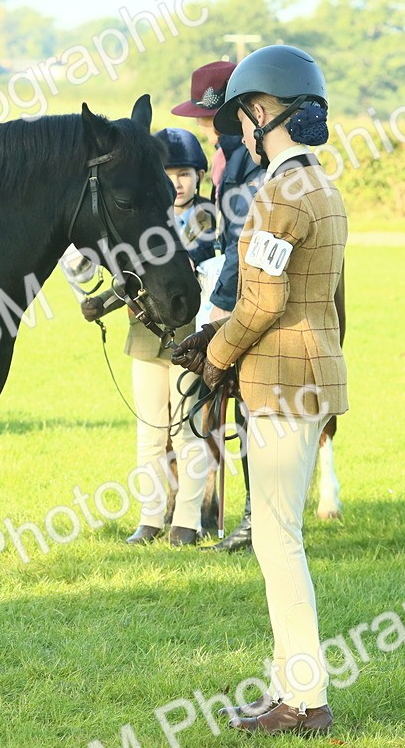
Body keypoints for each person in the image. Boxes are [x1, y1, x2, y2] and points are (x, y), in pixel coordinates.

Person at [172, 45, 347, 735]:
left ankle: (305, 701)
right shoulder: (323, 187)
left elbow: (263, 300)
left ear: (263, 112)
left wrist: (213, 356)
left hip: (280, 380)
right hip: (312, 374)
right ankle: (287, 691)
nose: (241, 130)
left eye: (244, 116)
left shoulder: (279, 193)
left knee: (278, 542)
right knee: (283, 536)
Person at [78, 127, 214, 547]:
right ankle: (150, 517)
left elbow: (185, 269)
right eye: (169, 172)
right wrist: (105, 300)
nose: (177, 181)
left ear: (199, 176)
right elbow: (137, 274)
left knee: (187, 431)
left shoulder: (206, 218)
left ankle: (188, 521)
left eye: (186, 173)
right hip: (145, 334)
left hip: (189, 335)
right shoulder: (148, 217)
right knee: (150, 431)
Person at [172, 60, 265, 552]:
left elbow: (243, 241)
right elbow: (221, 235)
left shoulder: (248, 161)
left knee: (252, 405)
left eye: (209, 119)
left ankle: (255, 516)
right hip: (231, 284)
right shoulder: (226, 154)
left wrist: (220, 306)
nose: (204, 127)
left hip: (250, 295)